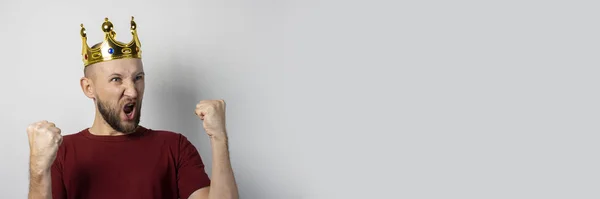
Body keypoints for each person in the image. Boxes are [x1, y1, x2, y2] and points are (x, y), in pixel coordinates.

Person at [26, 17, 239, 199]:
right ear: (88, 88)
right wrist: (39, 167)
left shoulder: (175, 147)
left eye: (138, 78)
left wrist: (219, 137)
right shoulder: (62, 152)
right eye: (116, 79)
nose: (133, 91)